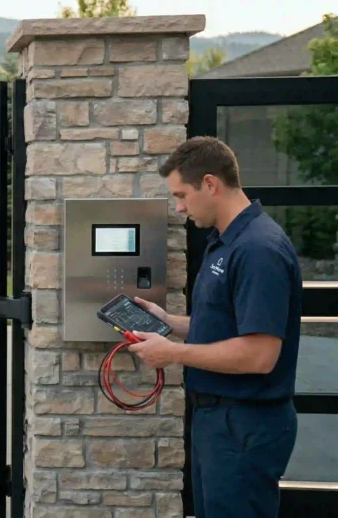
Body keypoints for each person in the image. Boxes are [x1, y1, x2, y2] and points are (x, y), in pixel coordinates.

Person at [127, 136, 301, 518]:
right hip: (219, 422)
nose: (179, 207)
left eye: (182, 195)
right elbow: (229, 324)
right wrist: (170, 323)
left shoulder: (259, 250)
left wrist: (171, 353)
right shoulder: (225, 242)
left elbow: (259, 354)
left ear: (209, 183)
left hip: (245, 424)